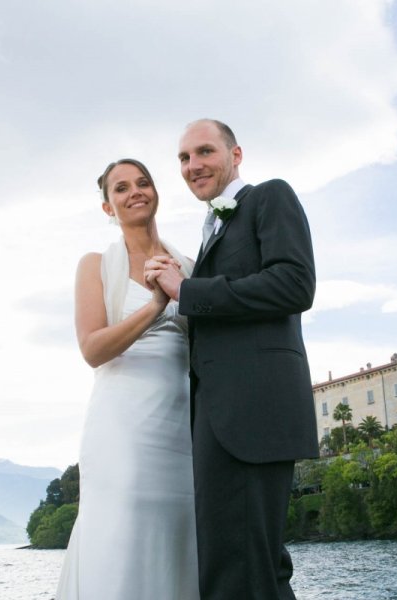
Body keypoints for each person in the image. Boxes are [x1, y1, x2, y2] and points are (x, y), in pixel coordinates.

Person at [146, 119, 319, 599]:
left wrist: (188, 290)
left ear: (236, 154)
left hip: (254, 415)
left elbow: (295, 284)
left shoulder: (270, 197)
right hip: (219, 419)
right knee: (252, 569)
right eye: (183, 158)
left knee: (237, 572)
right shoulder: (210, 230)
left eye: (204, 152)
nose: (193, 165)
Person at [56, 158, 198, 599]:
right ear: (107, 207)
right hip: (123, 426)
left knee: (180, 533)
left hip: (182, 424)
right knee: (122, 531)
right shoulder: (95, 264)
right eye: (121, 188)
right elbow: (92, 349)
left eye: (143, 182)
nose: (135, 191)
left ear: (156, 192)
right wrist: (156, 304)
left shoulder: (190, 264)